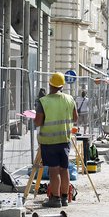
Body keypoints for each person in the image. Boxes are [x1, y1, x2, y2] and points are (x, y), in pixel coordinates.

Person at [34, 72, 78, 208]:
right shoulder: (70, 99)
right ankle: (65, 198)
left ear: (50, 84)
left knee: (54, 170)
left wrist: (35, 117)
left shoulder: (44, 101)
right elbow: (75, 118)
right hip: (64, 139)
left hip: (49, 141)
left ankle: (56, 199)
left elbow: (38, 122)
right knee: (64, 169)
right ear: (62, 85)